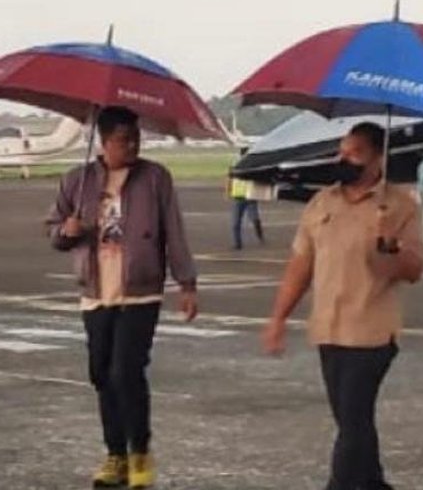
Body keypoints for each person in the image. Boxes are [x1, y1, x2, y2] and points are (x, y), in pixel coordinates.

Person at [263, 122, 423, 490]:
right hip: (328, 330)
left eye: (355, 153)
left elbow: (414, 270)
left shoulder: (400, 206)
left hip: (370, 332)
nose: (345, 159)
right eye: (342, 152)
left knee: (353, 423)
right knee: (353, 422)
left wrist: (390, 246)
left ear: (377, 158)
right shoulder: (322, 203)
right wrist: (278, 318)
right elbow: (300, 265)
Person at [46, 105, 199, 490]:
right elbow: (54, 231)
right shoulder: (77, 180)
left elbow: (174, 232)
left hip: (140, 292)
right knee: (101, 374)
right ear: (103, 141)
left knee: (126, 371)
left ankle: (139, 451)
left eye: (136, 138)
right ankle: (115, 455)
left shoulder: (155, 178)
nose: (132, 146)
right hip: (96, 291)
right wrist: (67, 231)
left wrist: (187, 283)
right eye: (122, 140)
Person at [228, 153, 265, 250]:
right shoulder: (235, 165)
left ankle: (259, 235)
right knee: (236, 222)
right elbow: (230, 178)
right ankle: (237, 244)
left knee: (254, 218)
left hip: (250, 196)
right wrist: (229, 190)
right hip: (239, 196)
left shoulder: (251, 167)